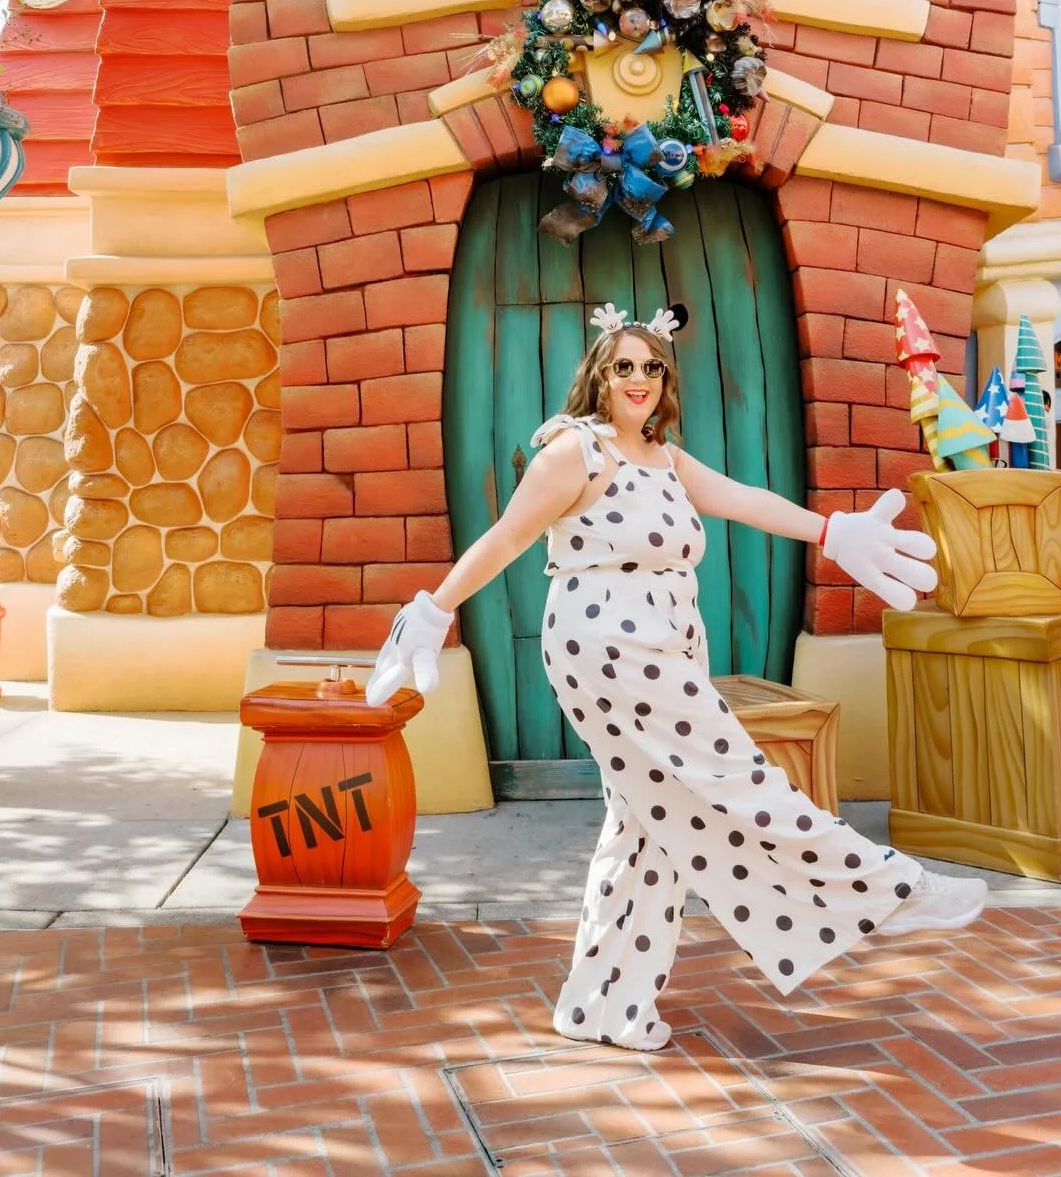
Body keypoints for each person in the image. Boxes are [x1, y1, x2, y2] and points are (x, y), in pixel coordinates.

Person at [368, 302, 986, 1053]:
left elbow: (743, 500)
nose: (638, 379)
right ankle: (889, 891)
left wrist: (834, 531)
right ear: (598, 375)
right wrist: (434, 610)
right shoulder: (576, 450)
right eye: (622, 365)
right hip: (607, 650)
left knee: (646, 834)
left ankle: (604, 1008)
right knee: (735, 777)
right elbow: (508, 536)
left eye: (651, 367)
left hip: (665, 648)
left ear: (666, 382)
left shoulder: (662, 458)